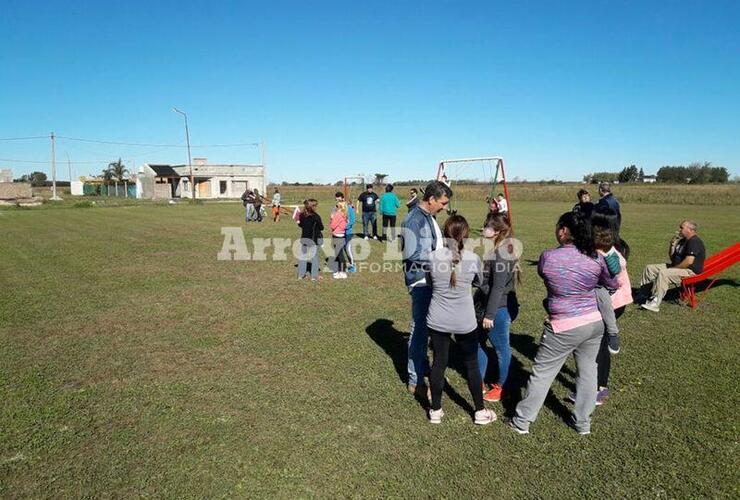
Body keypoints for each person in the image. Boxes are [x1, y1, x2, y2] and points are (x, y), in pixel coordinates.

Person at [509, 212, 619, 435]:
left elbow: (545, 275)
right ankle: (582, 423)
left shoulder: (548, 257)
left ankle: (522, 422)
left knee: (543, 372)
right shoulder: (595, 257)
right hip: (594, 323)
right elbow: (611, 282)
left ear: (564, 230)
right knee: (589, 372)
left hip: (563, 324)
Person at [426, 215, 496, 425]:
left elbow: (430, 282)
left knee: (439, 363)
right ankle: (479, 411)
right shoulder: (473, 259)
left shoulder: (432, 257)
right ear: (466, 235)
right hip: (465, 320)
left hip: (437, 318)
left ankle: (436, 411)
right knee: (472, 364)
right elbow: (478, 281)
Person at [568, 213, 632, 406]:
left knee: (599, 344)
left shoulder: (605, 255)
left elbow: (612, 281)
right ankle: (597, 386)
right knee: (597, 342)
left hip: (613, 302)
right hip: (613, 301)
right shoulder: (605, 249)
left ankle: (598, 389)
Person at [400, 180, 452, 397]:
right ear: (431, 199)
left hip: (432, 277)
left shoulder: (428, 216)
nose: (445, 207)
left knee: (430, 329)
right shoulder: (413, 220)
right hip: (421, 281)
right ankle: (416, 380)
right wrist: (441, 259)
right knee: (420, 331)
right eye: (443, 202)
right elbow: (412, 254)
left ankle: (429, 371)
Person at [475, 213, 519, 403]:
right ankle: (479, 380)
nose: (484, 229)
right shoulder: (497, 249)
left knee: (501, 349)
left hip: (497, 310)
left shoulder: (502, 254)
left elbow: (498, 287)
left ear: (498, 231)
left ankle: (503, 386)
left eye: (488, 226)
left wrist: (490, 314)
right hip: (488, 306)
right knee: (477, 342)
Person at [639, 220, 705, 312]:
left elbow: (689, 261)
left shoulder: (694, 241)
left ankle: (655, 303)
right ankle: (644, 294)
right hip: (678, 267)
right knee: (649, 268)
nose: (679, 230)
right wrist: (672, 245)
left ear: (690, 230)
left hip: (689, 271)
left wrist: (673, 268)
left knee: (664, 273)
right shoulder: (682, 241)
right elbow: (673, 258)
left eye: (681, 227)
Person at [297, 199, 324, 282]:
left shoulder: (301, 215)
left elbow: (301, 224)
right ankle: (314, 276)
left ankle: (301, 275)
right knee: (314, 258)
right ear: (313, 207)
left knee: (302, 257)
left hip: (304, 239)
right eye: (315, 205)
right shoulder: (316, 217)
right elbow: (321, 227)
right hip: (313, 240)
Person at [330, 201, 349, 279]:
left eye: (337, 206)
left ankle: (342, 271)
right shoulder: (345, 215)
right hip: (342, 235)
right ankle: (339, 270)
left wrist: (332, 218)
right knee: (339, 253)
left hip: (337, 235)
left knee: (339, 254)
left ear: (340, 207)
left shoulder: (337, 215)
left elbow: (333, 226)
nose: (336, 208)